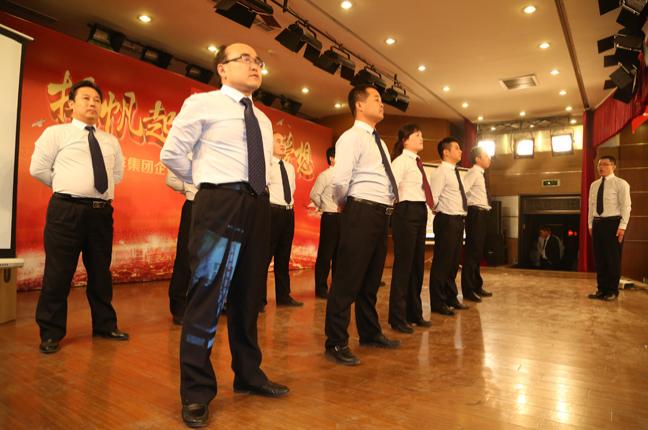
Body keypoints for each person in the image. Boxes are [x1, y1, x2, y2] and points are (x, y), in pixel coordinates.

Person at [160, 43, 288, 428]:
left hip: (258, 205)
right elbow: (172, 154)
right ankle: (196, 391)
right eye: (244, 59)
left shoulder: (262, 119)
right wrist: (207, 182)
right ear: (222, 68)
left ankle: (249, 374)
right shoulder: (202, 104)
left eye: (258, 61)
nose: (254, 65)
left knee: (249, 296)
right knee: (207, 295)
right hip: (219, 202)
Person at [29, 79, 128, 354]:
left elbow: (116, 175)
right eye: (86, 98)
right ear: (71, 104)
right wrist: (66, 186)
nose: (92, 103)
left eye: (97, 100)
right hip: (66, 211)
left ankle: (105, 325)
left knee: (100, 272)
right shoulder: (56, 133)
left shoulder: (110, 140)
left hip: (101, 213)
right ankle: (51, 333)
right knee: (58, 273)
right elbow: (38, 169)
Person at [324, 84, 400, 366]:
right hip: (361, 211)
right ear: (359, 105)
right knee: (347, 279)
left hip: (381, 214)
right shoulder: (351, 137)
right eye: (376, 99)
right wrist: (346, 204)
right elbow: (340, 180)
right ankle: (336, 341)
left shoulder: (379, 142)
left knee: (371, 280)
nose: (382, 104)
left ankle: (369, 333)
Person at [387, 124, 433, 333]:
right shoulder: (400, 161)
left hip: (419, 210)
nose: (421, 138)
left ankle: (414, 313)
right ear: (405, 140)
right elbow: (391, 188)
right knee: (403, 266)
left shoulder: (417, 162)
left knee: (417, 266)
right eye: (417, 135)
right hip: (405, 211)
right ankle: (397, 318)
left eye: (421, 134)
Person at [428, 137, 470, 316]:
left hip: (458, 220)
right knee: (442, 262)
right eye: (457, 148)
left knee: (453, 263)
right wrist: (443, 213)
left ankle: (451, 297)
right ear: (446, 152)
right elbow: (433, 199)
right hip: (446, 220)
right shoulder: (441, 172)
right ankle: (438, 302)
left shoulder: (454, 172)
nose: (461, 151)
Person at [263, 133, 303, 308]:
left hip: (288, 213)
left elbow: (291, 189)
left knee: (284, 256)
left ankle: (284, 297)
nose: (283, 144)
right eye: (278, 141)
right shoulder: (266, 165)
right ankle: (259, 300)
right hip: (272, 212)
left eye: (284, 141)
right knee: (265, 256)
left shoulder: (289, 167)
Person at [587, 155, 631, 301]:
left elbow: (626, 206)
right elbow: (591, 206)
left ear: (614, 166)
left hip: (613, 224)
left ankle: (612, 290)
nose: (601, 167)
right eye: (599, 164)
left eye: (605, 164)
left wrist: (622, 227)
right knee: (600, 259)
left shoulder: (621, 183)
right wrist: (590, 224)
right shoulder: (594, 185)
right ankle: (601, 289)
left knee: (612, 259)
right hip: (597, 223)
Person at [461, 146, 494, 302]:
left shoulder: (480, 174)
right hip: (475, 213)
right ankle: (468, 290)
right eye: (486, 156)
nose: (489, 158)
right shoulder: (473, 172)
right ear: (477, 159)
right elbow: (462, 191)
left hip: (482, 214)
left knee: (478, 252)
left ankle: (476, 286)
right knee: (472, 253)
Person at [166, 170, 198, 325]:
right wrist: (189, 188)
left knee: (212, 258)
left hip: (218, 208)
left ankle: (204, 305)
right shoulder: (190, 153)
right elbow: (171, 179)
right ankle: (179, 306)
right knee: (185, 258)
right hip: (195, 205)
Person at [310, 147, 340, 299]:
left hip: (343, 218)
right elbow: (314, 194)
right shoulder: (325, 175)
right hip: (330, 217)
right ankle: (321, 288)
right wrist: (324, 206)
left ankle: (337, 287)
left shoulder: (346, 176)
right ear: (331, 158)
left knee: (340, 254)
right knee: (325, 254)